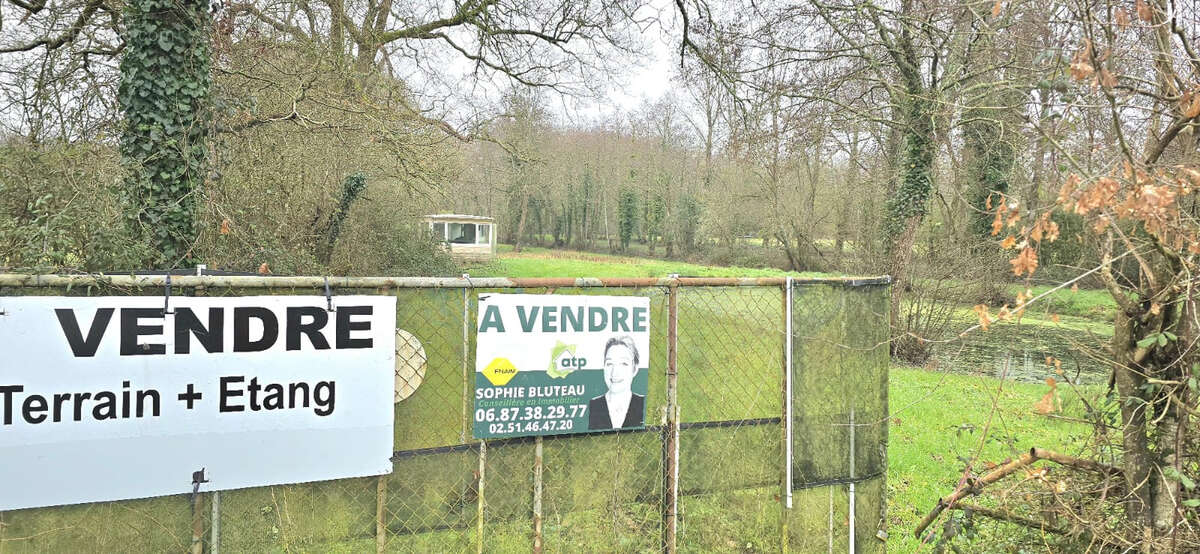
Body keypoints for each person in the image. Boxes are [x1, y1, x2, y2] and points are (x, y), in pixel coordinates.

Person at [588, 336, 644, 430]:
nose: (614, 372)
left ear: (634, 369)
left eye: (623, 363)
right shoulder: (591, 406)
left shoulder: (642, 404)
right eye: (609, 364)